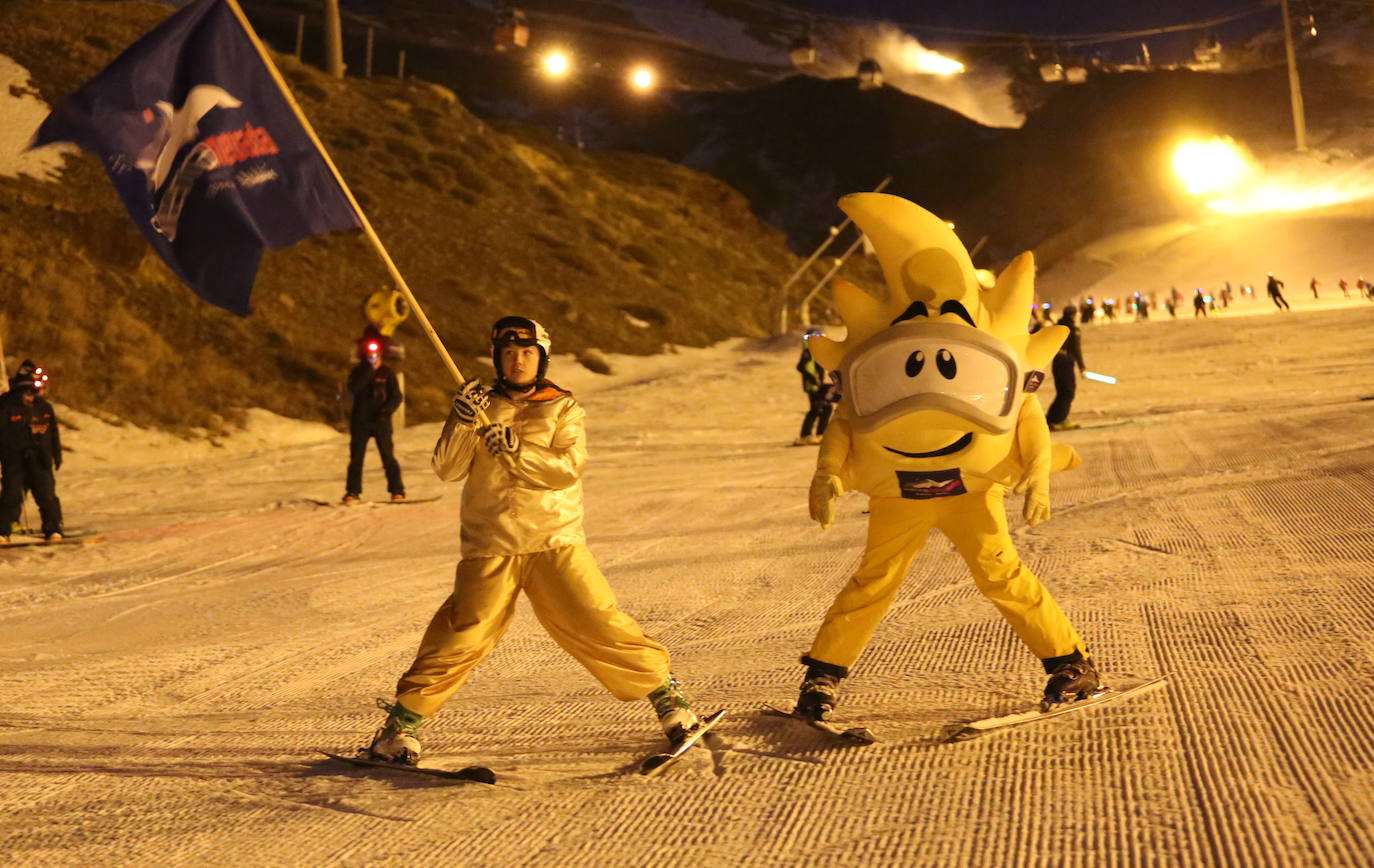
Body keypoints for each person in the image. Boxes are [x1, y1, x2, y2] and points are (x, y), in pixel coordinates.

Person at [797, 194, 1095, 726]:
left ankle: (1070, 662)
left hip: (971, 487)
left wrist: (1040, 475)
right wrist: (828, 474)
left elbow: (1027, 419)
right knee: (875, 580)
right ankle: (823, 676)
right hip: (901, 490)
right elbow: (846, 420)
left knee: (1000, 574)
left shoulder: (985, 352)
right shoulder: (887, 353)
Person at [360, 316, 701, 765]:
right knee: (463, 633)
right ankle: (401, 728)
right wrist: (461, 423)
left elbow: (566, 469)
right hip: (490, 540)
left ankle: (670, 703)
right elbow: (447, 468)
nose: (517, 361)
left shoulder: (563, 409)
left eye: (526, 353)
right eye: (507, 353)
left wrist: (518, 450)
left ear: (541, 357)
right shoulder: (481, 404)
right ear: (497, 358)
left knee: (595, 619)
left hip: (553, 537)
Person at [0, 371, 64, 543]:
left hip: (39, 459)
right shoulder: (6, 407)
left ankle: (53, 528)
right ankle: (2, 531)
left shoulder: (43, 408)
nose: (30, 398)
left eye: (32, 393)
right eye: (27, 394)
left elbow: (53, 434)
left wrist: (56, 455)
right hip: (14, 459)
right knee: (11, 495)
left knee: (46, 495)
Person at [343, 338, 405, 503]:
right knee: (356, 458)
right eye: (370, 354)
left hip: (381, 422)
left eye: (375, 354)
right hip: (360, 421)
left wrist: (387, 410)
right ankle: (353, 491)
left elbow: (397, 396)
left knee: (388, 457)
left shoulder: (387, 373)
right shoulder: (358, 372)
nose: (373, 357)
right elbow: (353, 388)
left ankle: (397, 490)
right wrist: (370, 371)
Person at [1046, 305, 1086, 431]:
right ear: (1074, 315)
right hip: (1066, 363)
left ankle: (1052, 419)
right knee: (1068, 392)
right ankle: (1059, 420)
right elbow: (1076, 349)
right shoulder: (1072, 329)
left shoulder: (1058, 327)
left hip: (1057, 363)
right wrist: (1082, 367)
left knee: (1062, 392)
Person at [795, 330, 833, 445]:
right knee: (817, 408)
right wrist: (813, 379)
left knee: (826, 408)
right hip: (812, 386)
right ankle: (805, 435)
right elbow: (801, 366)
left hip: (817, 385)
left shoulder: (816, 353)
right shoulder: (808, 352)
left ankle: (820, 433)